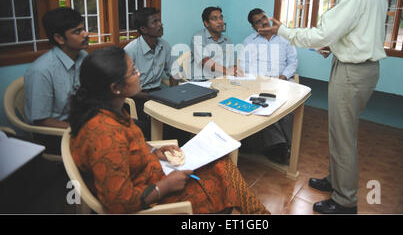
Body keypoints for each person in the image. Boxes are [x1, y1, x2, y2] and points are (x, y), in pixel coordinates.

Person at [258, 0, 387, 214]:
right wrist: (335, 45)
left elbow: (322, 32)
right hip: (361, 68)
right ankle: (336, 181)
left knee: (343, 136)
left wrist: (283, 31)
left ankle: (345, 201)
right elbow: (358, 31)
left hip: (353, 71)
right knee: (340, 132)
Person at [68, 46, 269, 214]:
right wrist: (164, 187)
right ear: (115, 87)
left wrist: (153, 151)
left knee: (221, 163)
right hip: (150, 198)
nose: (139, 75)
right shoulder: (103, 133)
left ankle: (258, 214)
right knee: (222, 183)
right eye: (133, 72)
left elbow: (128, 146)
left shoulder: (111, 109)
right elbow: (118, 203)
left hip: (152, 175)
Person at [24, 7, 89, 154]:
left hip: (78, 120)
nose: (86, 34)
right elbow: (41, 120)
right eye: (77, 31)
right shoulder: (41, 71)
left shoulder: (83, 56)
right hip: (54, 133)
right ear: (59, 38)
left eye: (84, 28)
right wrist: (80, 127)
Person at [238, 8, 298, 164]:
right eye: (258, 21)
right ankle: (280, 146)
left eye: (264, 17)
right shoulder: (249, 41)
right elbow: (244, 66)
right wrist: (260, 81)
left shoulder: (285, 38)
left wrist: (282, 77)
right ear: (254, 27)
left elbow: (293, 62)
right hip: (259, 83)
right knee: (263, 106)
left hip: (283, 80)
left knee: (286, 108)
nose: (263, 22)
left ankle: (285, 144)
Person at [124, 7, 177, 139]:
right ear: (143, 29)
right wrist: (152, 97)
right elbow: (124, 87)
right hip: (136, 97)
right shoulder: (131, 50)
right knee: (159, 124)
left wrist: (175, 94)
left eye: (159, 20)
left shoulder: (164, 46)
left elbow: (173, 73)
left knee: (179, 118)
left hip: (157, 93)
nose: (160, 24)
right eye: (154, 22)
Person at [190, 6, 242, 80]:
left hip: (222, 80)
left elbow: (231, 64)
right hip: (202, 81)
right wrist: (227, 71)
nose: (220, 21)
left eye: (221, 18)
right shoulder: (198, 38)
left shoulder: (227, 40)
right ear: (206, 23)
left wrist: (236, 70)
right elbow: (205, 60)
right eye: (214, 19)